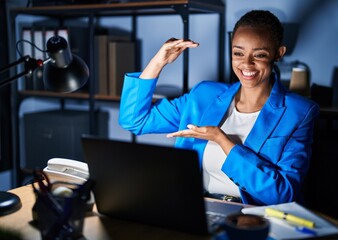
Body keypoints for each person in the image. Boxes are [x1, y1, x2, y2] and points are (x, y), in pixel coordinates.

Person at [119, 10, 319, 206]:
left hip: (255, 218)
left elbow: (283, 194)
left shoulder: (299, 112)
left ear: (278, 53)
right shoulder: (204, 96)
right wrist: (158, 62)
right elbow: (134, 120)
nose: (246, 64)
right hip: (197, 208)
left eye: (259, 55)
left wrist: (223, 140)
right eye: (238, 53)